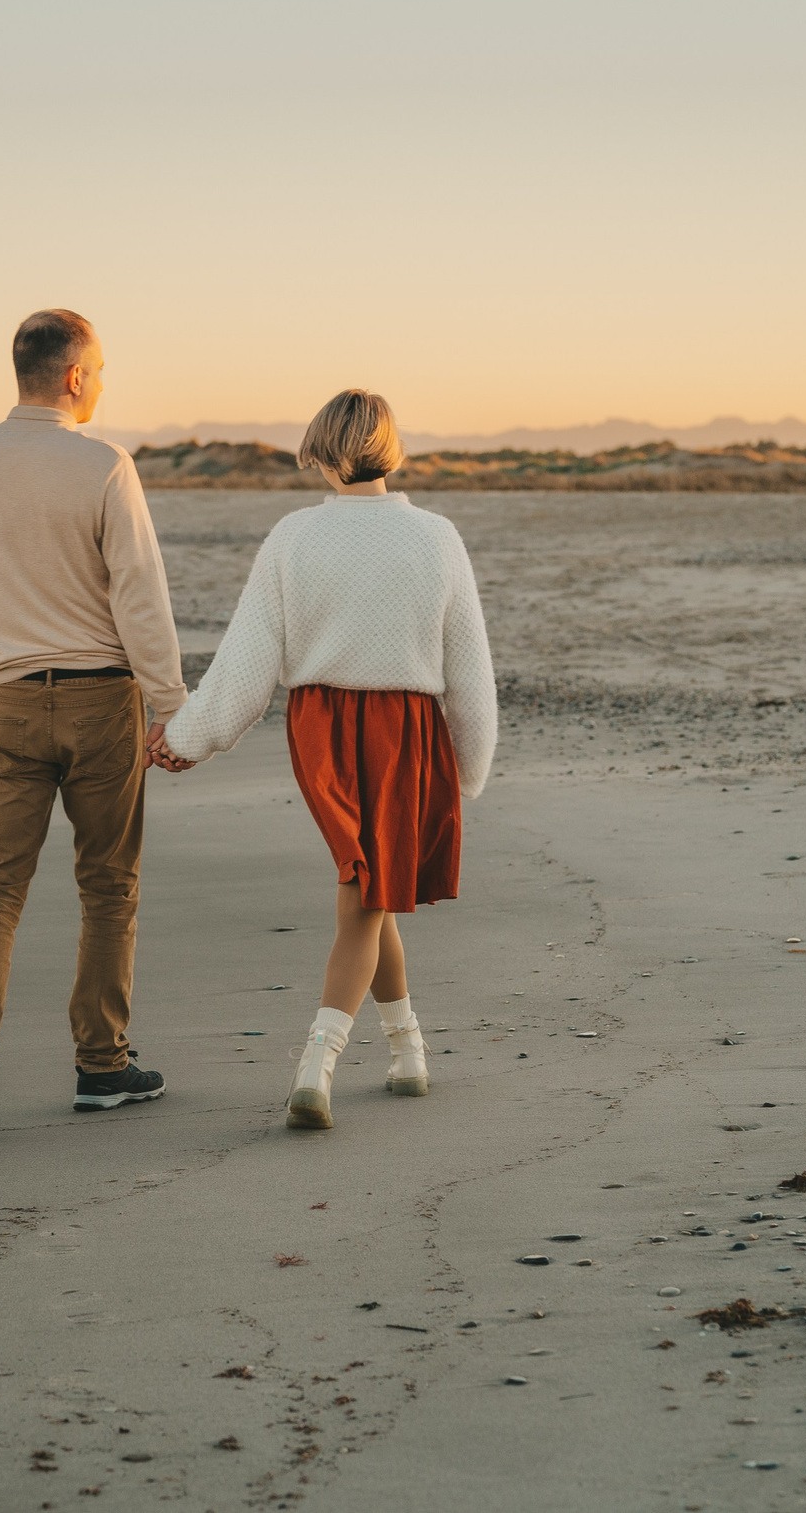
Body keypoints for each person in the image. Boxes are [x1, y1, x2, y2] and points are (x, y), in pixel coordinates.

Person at [152, 389, 496, 1130]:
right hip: (407, 729)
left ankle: (408, 1053)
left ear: (322, 451)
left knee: (369, 884)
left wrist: (189, 737)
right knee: (370, 887)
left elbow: (247, 659)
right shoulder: (435, 535)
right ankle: (318, 1065)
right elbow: (469, 666)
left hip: (322, 731)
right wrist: (469, 766)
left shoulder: (293, 536)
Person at [0, 309, 187, 1139]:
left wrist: (4, 645)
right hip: (102, 698)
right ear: (73, 375)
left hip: (3, 697)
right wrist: (174, 706)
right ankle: (101, 1064)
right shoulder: (104, 462)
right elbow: (138, 595)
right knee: (108, 885)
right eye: (100, 368)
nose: (103, 381)